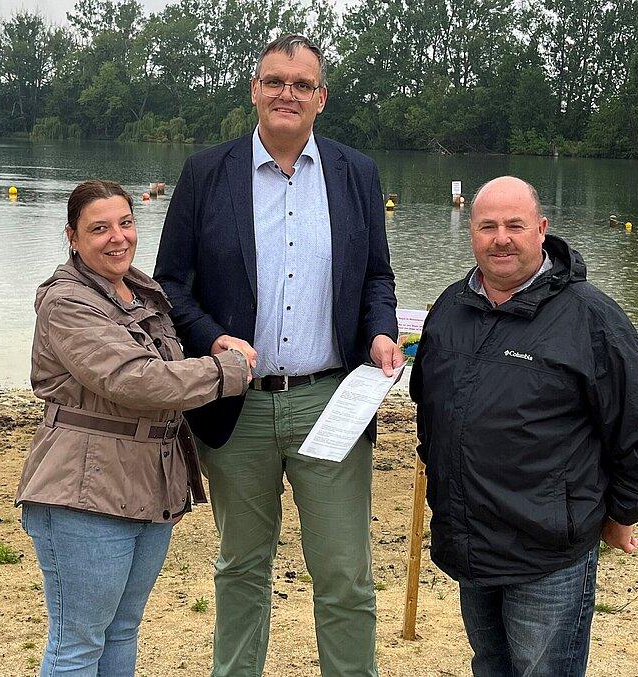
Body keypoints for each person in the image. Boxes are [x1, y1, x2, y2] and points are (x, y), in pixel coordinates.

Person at [153, 34, 402, 677]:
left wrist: (379, 331)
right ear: (254, 92)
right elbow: (170, 286)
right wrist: (210, 338)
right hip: (237, 403)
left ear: (321, 98)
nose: (286, 93)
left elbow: (377, 276)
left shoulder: (357, 173)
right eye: (273, 81)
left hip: (331, 400)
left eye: (301, 84)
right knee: (241, 567)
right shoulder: (207, 174)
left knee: (345, 574)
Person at [410, 176, 638, 676]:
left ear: (542, 230)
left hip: (548, 549)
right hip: (470, 540)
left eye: (515, 225)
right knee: (490, 666)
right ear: (471, 232)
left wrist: (623, 512)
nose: (501, 238)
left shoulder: (589, 316)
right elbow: (430, 403)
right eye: (488, 226)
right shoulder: (449, 308)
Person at [16, 179, 253, 676]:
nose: (117, 237)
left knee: (121, 631)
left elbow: (168, 364)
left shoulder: (144, 290)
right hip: (84, 488)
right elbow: (134, 379)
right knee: (77, 643)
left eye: (125, 223)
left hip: (150, 482)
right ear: (72, 238)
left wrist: (212, 345)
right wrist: (225, 371)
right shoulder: (67, 302)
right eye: (98, 228)